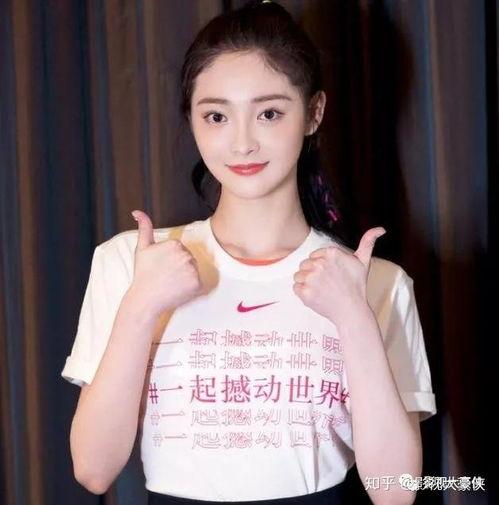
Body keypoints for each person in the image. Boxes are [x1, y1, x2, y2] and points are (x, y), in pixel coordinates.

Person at [61, 1, 437, 504]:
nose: (242, 143)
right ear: (193, 119)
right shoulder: (132, 263)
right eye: (216, 115)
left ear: (314, 113)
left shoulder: (375, 281)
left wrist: (354, 316)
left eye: (269, 113)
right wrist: (140, 307)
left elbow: (397, 492)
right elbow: (93, 469)